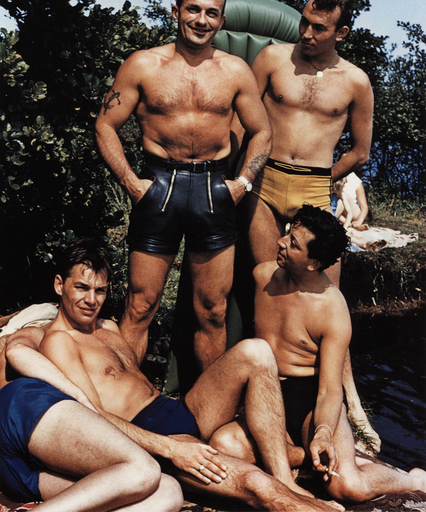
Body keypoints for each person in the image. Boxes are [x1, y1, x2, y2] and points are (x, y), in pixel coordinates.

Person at [5, 238, 343, 512]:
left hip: (178, 409)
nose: (91, 300)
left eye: (101, 290)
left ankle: (285, 477)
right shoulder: (59, 342)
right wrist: (170, 450)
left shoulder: (107, 327)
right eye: (81, 288)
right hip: (149, 435)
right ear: (59, 285)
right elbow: (96, 418)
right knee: (256, 485)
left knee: (256, 352)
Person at [95, 0, 271, 370]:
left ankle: (210, 412)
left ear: (221, 20)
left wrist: (242, 184)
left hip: (214, 189)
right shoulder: (143, 64)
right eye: (193, 9)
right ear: (176, 12)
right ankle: (125, 406)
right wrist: (130, 182)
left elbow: (262, 132)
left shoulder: (235, 71)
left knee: (212, 310)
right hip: (160, 186)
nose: (201, 19)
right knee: (140, 305)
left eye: (211, 12)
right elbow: (105, 125)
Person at [219, 205, 426, 503]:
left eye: (293, 244)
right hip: (264, 393)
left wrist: (324, 432)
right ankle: (302, 455)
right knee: (224, 445)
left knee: (348, 488)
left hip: (309, 403)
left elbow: (330, 389)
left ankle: (412, 477)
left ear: (314, 263)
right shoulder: (263, 276)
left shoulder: (332, 309)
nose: (281, 241)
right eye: (289, 234)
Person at [246, 0, 374, 272]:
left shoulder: (356, 81)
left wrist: (324, 180)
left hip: (315, 188)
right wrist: (240, 177)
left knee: (322, 290)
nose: (306, 33)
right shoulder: (272, 59)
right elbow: (243, 123)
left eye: (318, 28)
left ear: (341, 33)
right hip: (265, 183)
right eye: (304, 21)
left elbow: (360, 152)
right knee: (269, 278)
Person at [0, 335, 183, 510]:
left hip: (24, 475)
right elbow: (17, 350)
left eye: (101, 298)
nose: (91, 301)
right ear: (60, 300)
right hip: (21, 409)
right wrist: (81, 397)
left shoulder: (109, 331)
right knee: (144, 470)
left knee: (168, 491)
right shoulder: (43, 322)